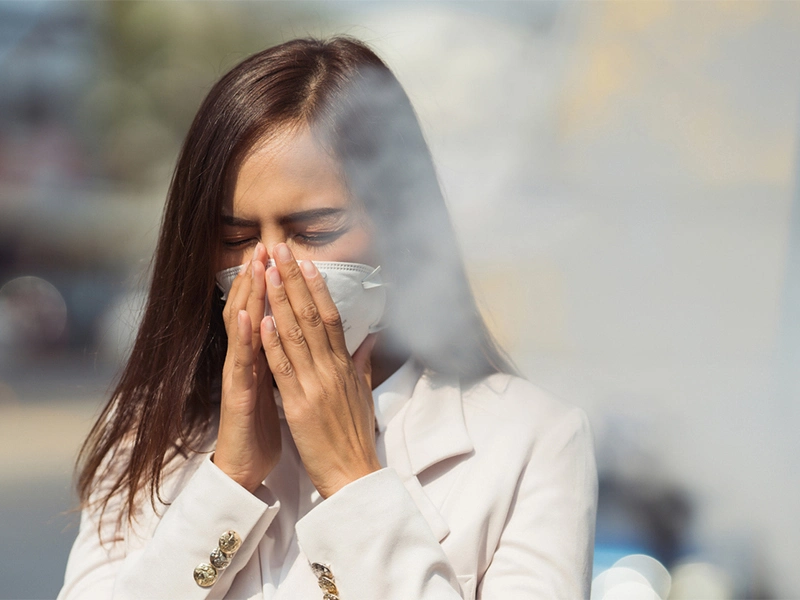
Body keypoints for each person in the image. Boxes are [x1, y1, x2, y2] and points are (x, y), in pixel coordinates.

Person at [58, 37, 597, 600]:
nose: (269, 269)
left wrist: (351, 480)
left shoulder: (530, 439)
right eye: (235, 238)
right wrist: (227, 483)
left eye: (313, 232)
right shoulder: (153, 432)